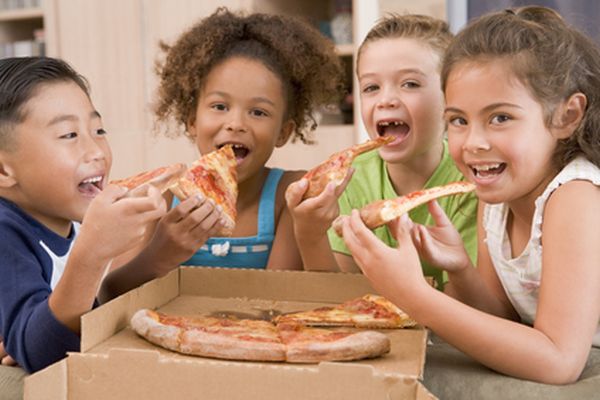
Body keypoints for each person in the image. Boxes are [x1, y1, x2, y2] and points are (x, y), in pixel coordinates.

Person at [342, 6, 600, 384]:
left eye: (500, 118)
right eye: (459, 120)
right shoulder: (496, 199)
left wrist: (414, 295)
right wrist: (460, 269)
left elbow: (558, 362)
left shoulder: (575, 198)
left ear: (567, 115)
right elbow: (503, 321)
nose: (474, 143)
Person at [0, 56, 170, 377]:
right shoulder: (5, 232)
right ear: (3, 169)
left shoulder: (68, 216)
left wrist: (164, 247)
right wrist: (93, 253)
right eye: (69, 135)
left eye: (98, 129)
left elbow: (87, 315)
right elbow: (44, 356)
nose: (96, 151)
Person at [286, 14, 478, 288]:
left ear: (450, 97)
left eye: (410, 84)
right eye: (371, 87)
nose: (386, 100)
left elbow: (466, 310)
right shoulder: (349, 179)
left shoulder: (468, 184)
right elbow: (336, 298)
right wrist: (309, 234)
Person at [144, 7, 344, 270]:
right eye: (219, 106)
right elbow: (111, 296)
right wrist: (159, 253)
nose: (236, 124)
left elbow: (279, 297)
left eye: (258, 112)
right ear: (192, 121)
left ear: (283, 132)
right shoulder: (162, 200)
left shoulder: (292, 194)